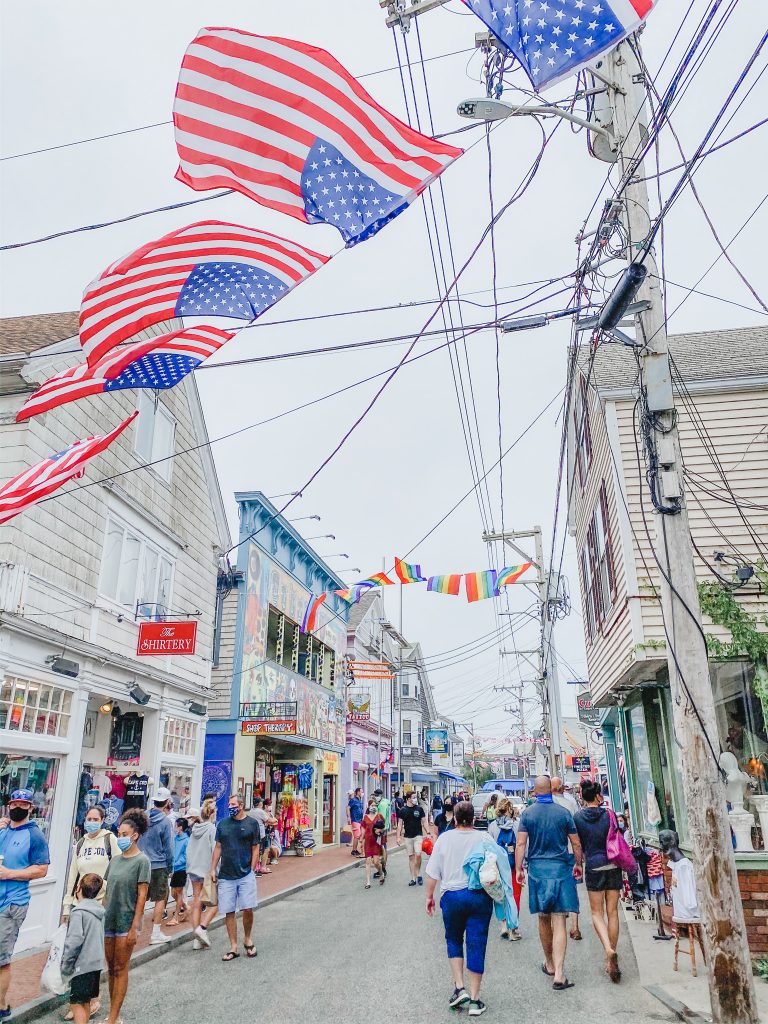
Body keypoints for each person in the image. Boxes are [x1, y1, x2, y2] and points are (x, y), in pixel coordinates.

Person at [425, 800, 512, 1018]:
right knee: (476, 943)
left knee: (453, 939)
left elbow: (433, 873)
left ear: (454, 818)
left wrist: (429, 897)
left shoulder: (444, 839)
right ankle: (474, 999)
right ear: (474, 818)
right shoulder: (484, 838)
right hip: (478, 897)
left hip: (452, 896)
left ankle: (459, 987)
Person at [515, 776, 583, 992]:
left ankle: (550, 964)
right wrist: (578, 864)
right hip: (561, 869)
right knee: (560, 921)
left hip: (537, 871)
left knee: (543, 919)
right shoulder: (563, 813)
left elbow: (520, 843)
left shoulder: (527, 814)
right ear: (552, 792)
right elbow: (576, 842)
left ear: (535, 791)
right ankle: (561, 974)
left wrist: (518, 869)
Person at [0, 789, 50, 1021]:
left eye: (23, 804)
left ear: (31, 807)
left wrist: (10, 873)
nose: (17, 807)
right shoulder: (4, 829)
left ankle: (1, 1008)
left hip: (12, 903)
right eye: (14, 803)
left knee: (1, 959)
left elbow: (42, 869)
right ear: (9, 805)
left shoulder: (35, 835)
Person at [102, 809, 151, 1024]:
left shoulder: (142, 861)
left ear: (135, 835)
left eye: (124, 834)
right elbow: (107, 892)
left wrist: (135, 927)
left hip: (126, 921)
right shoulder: (114, 861)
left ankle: (113, 1017)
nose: (120, 837)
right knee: (111, 967)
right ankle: (113, 1012)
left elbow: (142, 896)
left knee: (121, 968)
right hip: (109, 920)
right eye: (118, 833)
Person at [574, 779, 622, 982]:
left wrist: (578, 864)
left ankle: (608, 949)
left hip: (593, 865)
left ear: (582, 796)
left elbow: (578, 845)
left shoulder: (577, 818)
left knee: (596, 913)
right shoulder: (609, 814)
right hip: (613, 864)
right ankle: (610, 956)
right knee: (613, 912)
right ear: (598, 795)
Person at [211, 794, 260, 961]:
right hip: (226, 874)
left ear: (240, 805)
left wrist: (252, 868)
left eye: (233, 804)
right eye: (229, 804)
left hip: (245, 873)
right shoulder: (223, 824)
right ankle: (233, 946)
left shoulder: (251, 824)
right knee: (229, 910)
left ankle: (248, 939)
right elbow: (218, 847)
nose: (230, 807)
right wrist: (212, 869)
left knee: (248, 908)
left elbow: (255, 848)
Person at [60, 873, 106, 1024]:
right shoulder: (100, 912)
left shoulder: (78, 913)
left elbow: (73, 942)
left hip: (82, 965)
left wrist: (66, 966)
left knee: (77, 1003)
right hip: (96, 964)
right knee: (86, 1001)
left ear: (78, 889)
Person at [63, 805, 122, 919]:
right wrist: (67, 906)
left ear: (102, 820)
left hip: (102, 904)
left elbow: (119, 869)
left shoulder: (109, 839)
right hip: (80, 903)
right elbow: (73, 875)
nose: (92, 822)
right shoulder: (81, 843)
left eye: (95, 820)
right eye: (89, 819)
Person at [552, 777, 582, 940]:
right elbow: (576, 831)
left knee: (555, 885)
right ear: (563, 789)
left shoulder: (547, 805)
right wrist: (580, 859)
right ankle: (575, 927)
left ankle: (559, 919)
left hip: (554, 852)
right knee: (572, 887)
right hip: (570, 850)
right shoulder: (570, 804)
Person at [488, 798, 521, 941]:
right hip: (513, 865)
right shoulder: (517, 824)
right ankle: (513, 927)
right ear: (510, 809)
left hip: (497, 866)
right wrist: (522, 866)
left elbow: (489, 847)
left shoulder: (492, 826)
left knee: (499, 895)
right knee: (515, 895)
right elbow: (521, 845)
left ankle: (503, 925)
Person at [186, 800, 218, 950]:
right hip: (206, 870)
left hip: (193, 869)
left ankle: (196, 938)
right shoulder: (212, 829)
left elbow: (189, 849)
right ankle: (201, 929)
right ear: (212, 814)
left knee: (197, 901)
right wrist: (215, 869)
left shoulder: (194, 829)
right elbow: (215, 850)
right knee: (216, 902)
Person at [396, 790, 428, 886]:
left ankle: (418, 873)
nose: (415, 799)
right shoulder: (403, 810)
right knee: (411, 857)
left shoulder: (419, 809)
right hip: (407, 836)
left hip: (418, 834)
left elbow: (424, 821)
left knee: (418, 854)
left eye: (415, 797)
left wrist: (428, 832)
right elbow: (400, 824)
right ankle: (413, 878)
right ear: (408, 799)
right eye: (413, 797)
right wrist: (398, 837)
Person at [167, 816, 190, 926]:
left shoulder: (186, 840)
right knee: (173, 893)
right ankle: (185, 907)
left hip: (181, 869)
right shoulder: (175, 838)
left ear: (180, 827)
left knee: (179, 893)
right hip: (175, 869)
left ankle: (176, 917)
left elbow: (186, 857)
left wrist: (175, 864)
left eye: (176, 825)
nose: (174, 827)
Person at [361, 798, 386, 889]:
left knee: (376, 862)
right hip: (368, 841)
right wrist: (361, 839)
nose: (374, 807)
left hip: (376, 841)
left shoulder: (379, 816)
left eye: (375, 805)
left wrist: (380, 832)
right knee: (367, 861)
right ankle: (368, 882)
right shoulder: (365, 817)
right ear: (369, 806)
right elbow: (363, 829)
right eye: (372, 805)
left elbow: (384, 827)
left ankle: (381, 872)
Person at [248, 797, 275, 875]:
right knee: (259, 851)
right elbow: (269, 820)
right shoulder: (260, 812)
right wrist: (274, 820)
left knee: (254, 851)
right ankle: (255, 869)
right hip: (260, 834)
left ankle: (254, 868)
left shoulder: (251, 811)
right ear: (259, 803)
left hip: (252, 833)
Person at [372, 789, 391, 879]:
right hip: (385, 828)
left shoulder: (382, 804)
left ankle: (382, 869)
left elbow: (381, 819)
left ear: (380, 795)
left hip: (381, 829)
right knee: (383, 848)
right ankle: (382, 868)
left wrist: (378, 830)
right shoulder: (385, 802)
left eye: (376, 795)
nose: (375, 797)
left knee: (381, 849)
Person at [347, 788, 364, 858]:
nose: (362, 793)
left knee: (359, 835)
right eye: (361, 792)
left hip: (360, 820)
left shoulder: (359, 800)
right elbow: (348, 808)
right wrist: (348, 817)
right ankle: (354, 850)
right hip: (355, 820)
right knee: (357, 836)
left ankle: (355, 849)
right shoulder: (353, 800)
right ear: (357, 792)